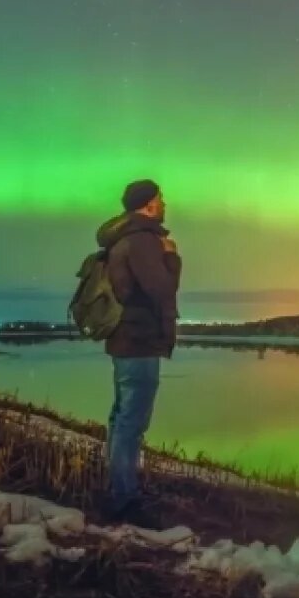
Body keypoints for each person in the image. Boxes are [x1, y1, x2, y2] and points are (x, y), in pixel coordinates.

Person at [94, 179, 181, 526]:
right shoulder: (143, 241)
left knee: (122, 417)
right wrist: (172, 256)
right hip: (140, 341)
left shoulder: (121, 240)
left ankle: (119, 488)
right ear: (147, 205)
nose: (165, 203)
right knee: (132, 421)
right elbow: (161, 290)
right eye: (161, 199)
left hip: (125, 340)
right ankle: (123, 499)